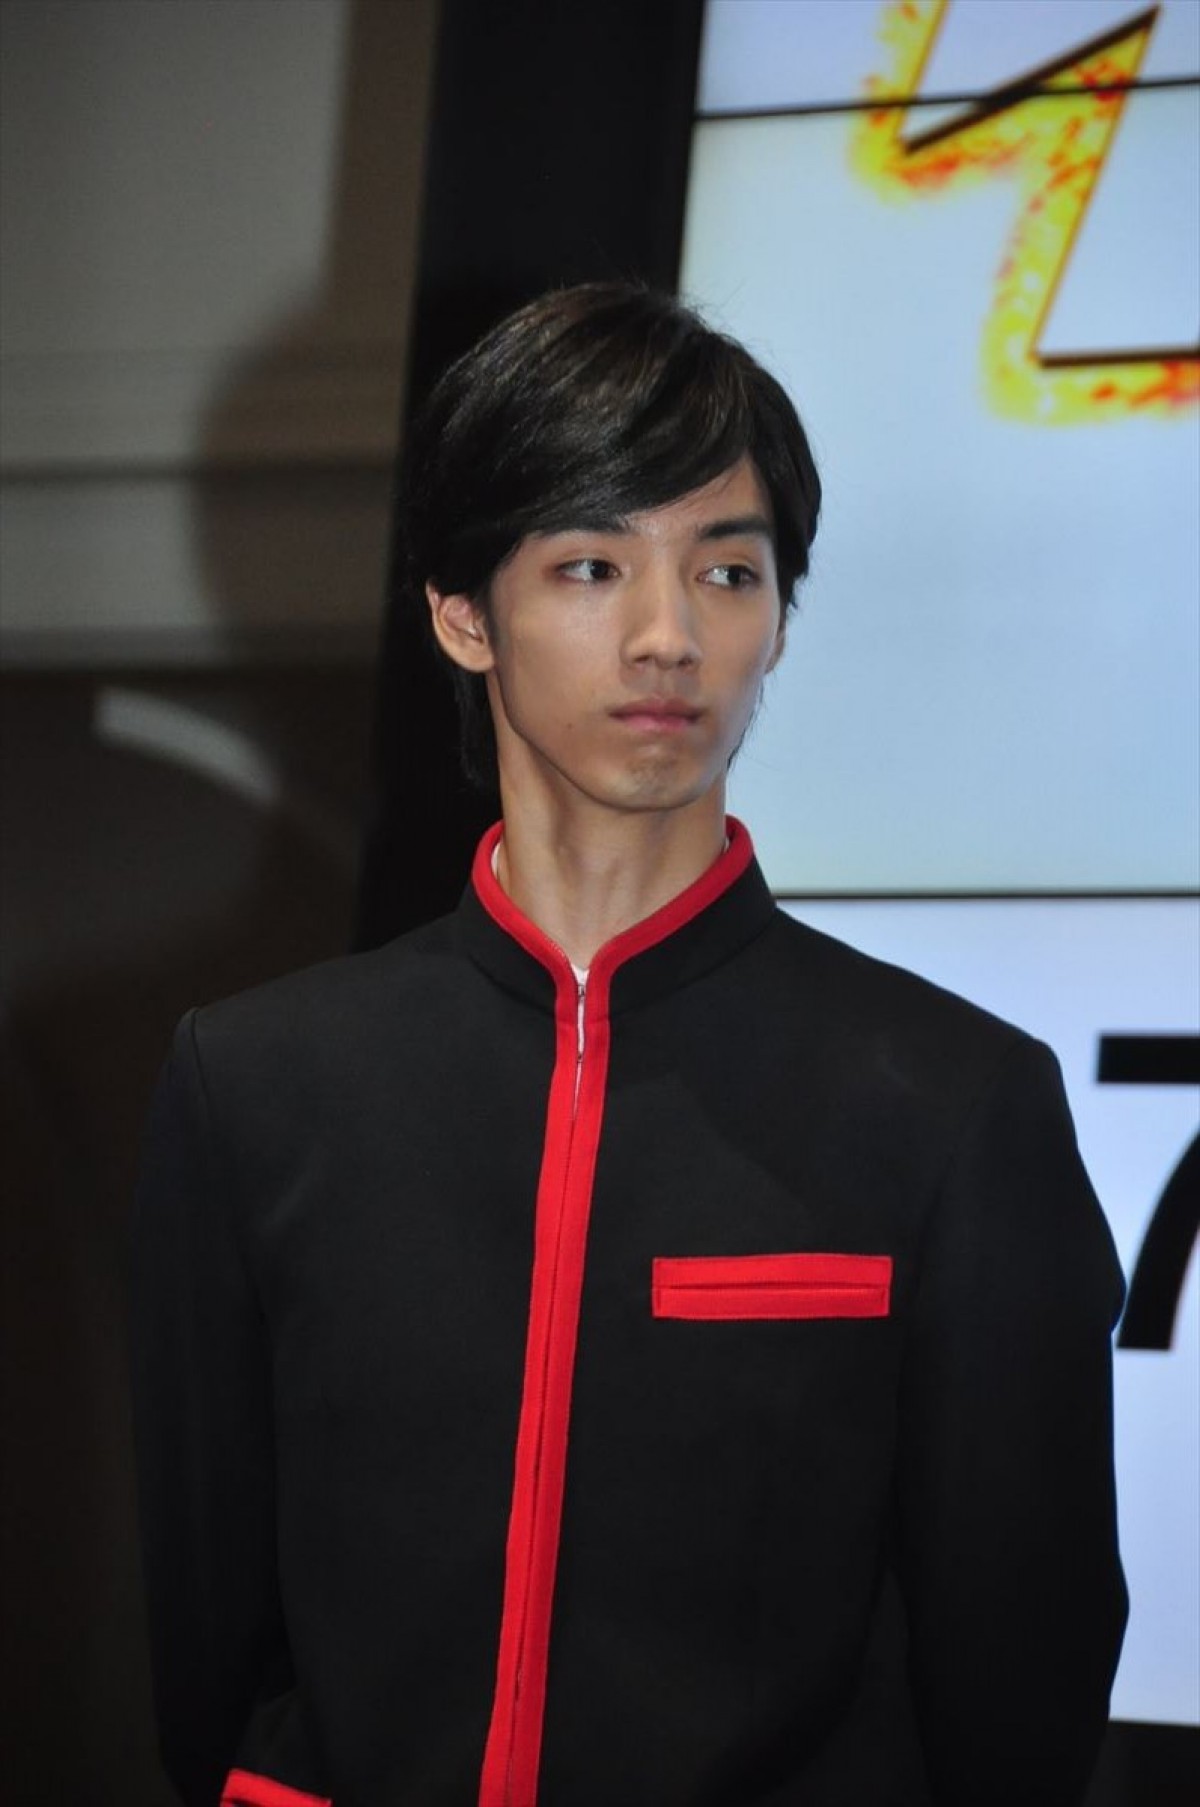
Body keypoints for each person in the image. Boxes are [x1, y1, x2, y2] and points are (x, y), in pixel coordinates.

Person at [130, 283, 1127, 1807]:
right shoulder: (256, 1087)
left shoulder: (953, 1106)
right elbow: (212, 1651)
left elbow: (1022, 1686)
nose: (670, 638)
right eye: (592, 566)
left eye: (728, 571)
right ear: (463, 613)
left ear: (779, 617)